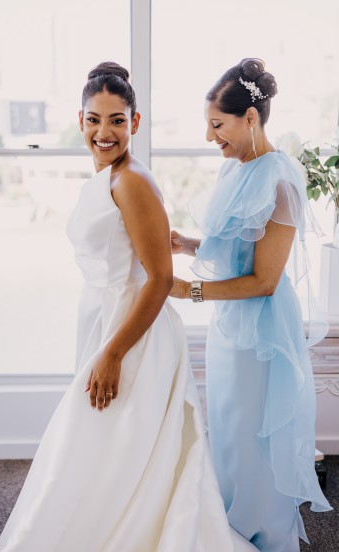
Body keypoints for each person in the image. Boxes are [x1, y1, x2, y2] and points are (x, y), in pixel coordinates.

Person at [0, 63, 252, 551]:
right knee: (103, 449)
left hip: (132, 333)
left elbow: (158, 281)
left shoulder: (132, 181)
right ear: (80, 121)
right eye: (94, 119)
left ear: (135, 123)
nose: (104, 131)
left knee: (116, 448)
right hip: (102, 317)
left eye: (116, 120)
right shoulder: (108, 177)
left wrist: (113, 354)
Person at [169, 58, 332, 551]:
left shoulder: (279, 180)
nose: (209, 137)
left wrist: (187, 290)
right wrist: (189, 243)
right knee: (230, 429)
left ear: (251, 119)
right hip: (228, 325)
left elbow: (263, 279)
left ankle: (263, 535)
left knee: (254, 438)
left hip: (260, 332)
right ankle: (231, 531)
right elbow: (237, 244)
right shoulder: (235, 170)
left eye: (217, 125)